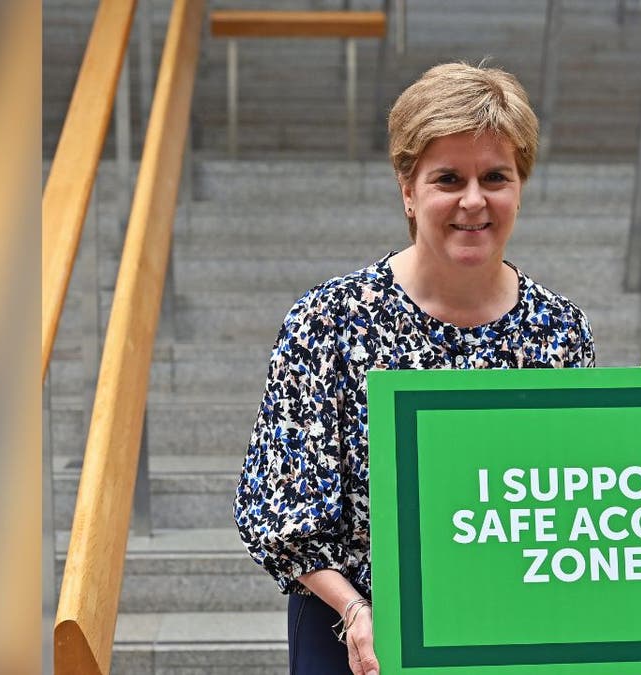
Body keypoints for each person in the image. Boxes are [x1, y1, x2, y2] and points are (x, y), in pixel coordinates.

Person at [234, 62, 595, 675]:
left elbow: (571, 498)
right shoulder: (330, 320)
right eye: (448, 178)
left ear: (520, 187)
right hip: (353, 630)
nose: (474, 200)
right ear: (408, 190)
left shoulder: (561, 330)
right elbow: (281, 507)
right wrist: (354, 610)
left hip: (506, 628)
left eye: (495, 177)